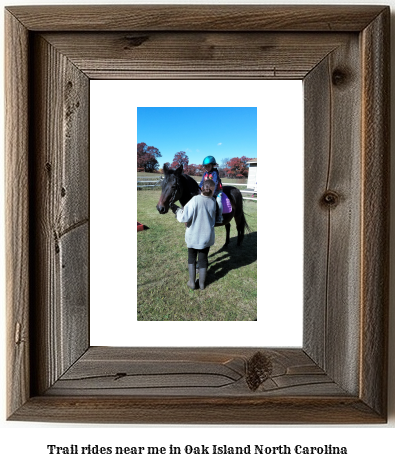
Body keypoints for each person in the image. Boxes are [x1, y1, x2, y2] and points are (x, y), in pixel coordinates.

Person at [170, 179, 216, 290]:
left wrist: (176, 210)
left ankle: (192, 282)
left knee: (191, 258)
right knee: (203, 259)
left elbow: (184, 217)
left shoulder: (194, 200)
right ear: (213, 190)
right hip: (206, 237)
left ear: (202, 188)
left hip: (193, 237)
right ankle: (201, 284)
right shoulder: (213, 201)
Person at [199, 156, 223, 223]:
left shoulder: (215, 173)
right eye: (205, 166)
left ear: (212, 165)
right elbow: (202, 182)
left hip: (217, 190)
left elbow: (215, 183)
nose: (207, 168)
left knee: (218, 201)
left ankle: (220, 217)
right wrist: (199, 188)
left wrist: (212, 193)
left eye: (208, 166)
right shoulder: (205, 174)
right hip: (208, 191)